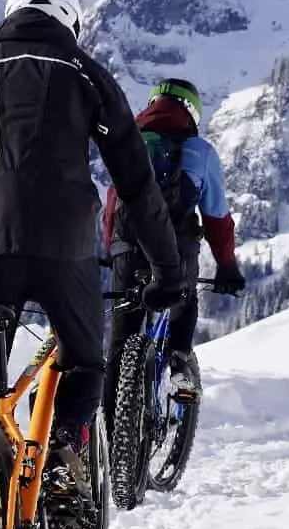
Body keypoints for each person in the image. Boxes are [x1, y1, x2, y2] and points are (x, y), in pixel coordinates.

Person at [0, 0, 187, 512]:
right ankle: (63, 454)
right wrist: (168, 270)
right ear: (71, 25)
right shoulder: (86, 73)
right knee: (84, 362)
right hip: (65, 248)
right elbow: (136, 186)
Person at [102, 78, 247, 404]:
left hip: (127, 248)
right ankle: (180, 359)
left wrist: (111, 250)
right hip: (177, 250)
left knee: (121, 339)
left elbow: (112, 205)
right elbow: (217, 219)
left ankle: (108, 436)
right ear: (191, 112)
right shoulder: (200, 152)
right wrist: (227, 266)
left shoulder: (129, 144)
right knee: (184, 303)